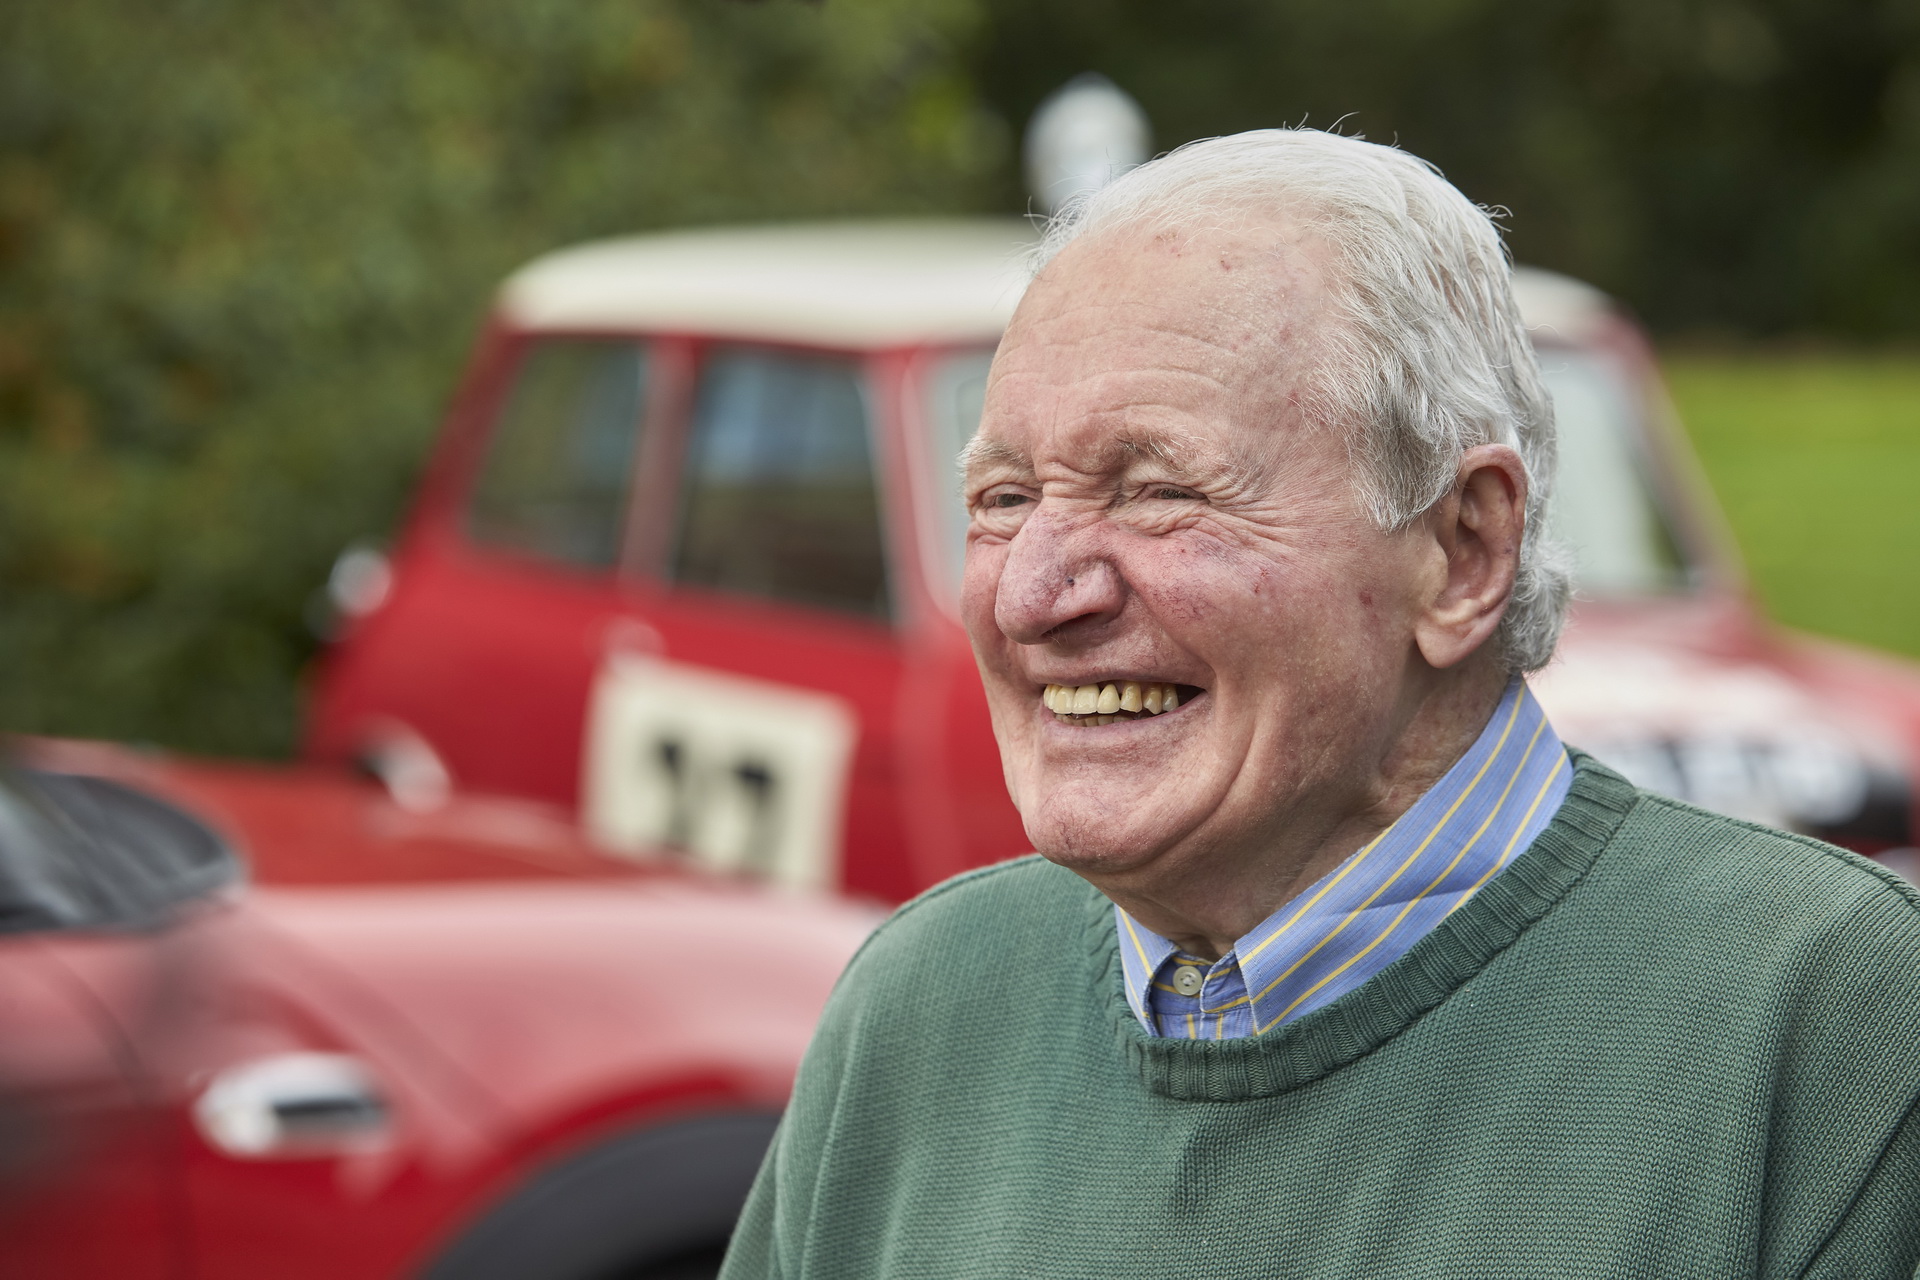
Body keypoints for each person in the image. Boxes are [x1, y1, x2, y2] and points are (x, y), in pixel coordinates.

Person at [719, 130, 1920, 1278]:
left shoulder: (1841, 1026)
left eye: (1155, 489)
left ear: (1462, 550)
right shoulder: (917, 1005)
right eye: (1002, 497)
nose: (1033, 593)